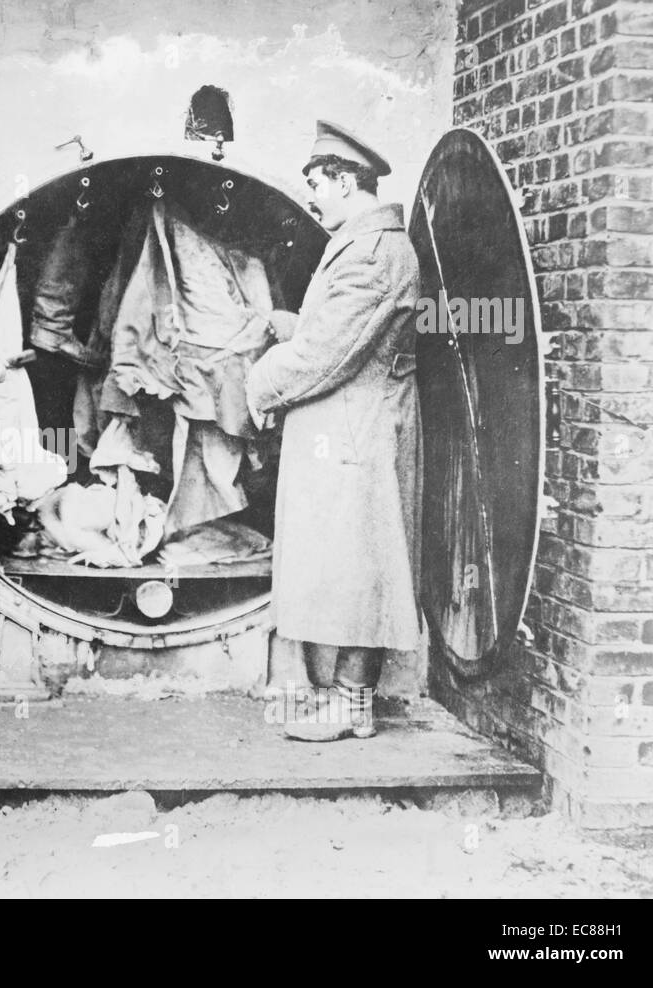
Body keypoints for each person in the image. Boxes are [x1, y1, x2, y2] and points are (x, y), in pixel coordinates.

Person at [245, 120, 422, 742]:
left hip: (355, 436)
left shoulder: (373, 252)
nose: (313, 197)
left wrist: (257, 382)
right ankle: (340, 700)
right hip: (349, 428)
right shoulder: (361, 242)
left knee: (358, 565)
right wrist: (297, 324)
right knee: (343, 564)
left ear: (347, 180)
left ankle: (352, 706)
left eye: (317, 183)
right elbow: (344, 335)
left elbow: (327, 355)